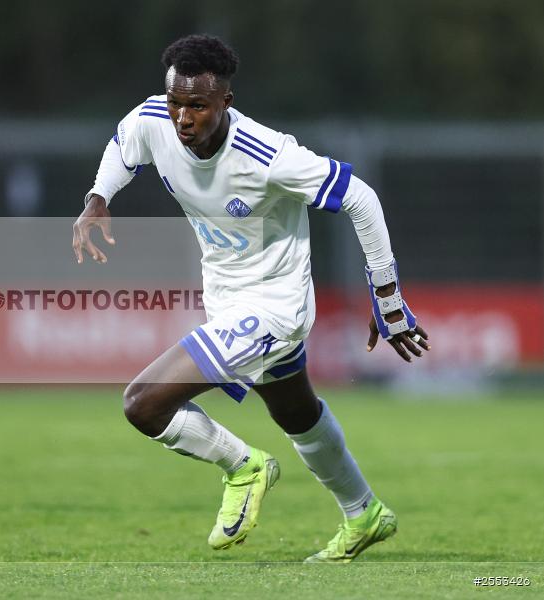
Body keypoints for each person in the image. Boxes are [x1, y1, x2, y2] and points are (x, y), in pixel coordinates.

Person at [72, 34, 430, 563]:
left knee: (143, 402)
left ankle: (244, 466)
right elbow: (125, 145)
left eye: (198, 106)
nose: (182, 118)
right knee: (297, 414)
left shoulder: (268, 155)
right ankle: (364, 513)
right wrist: (98, 197)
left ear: (226, 103)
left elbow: (361, 198)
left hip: (276, 306)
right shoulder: (153, 119)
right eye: (175, 103)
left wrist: (388, 298)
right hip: (224, 297)